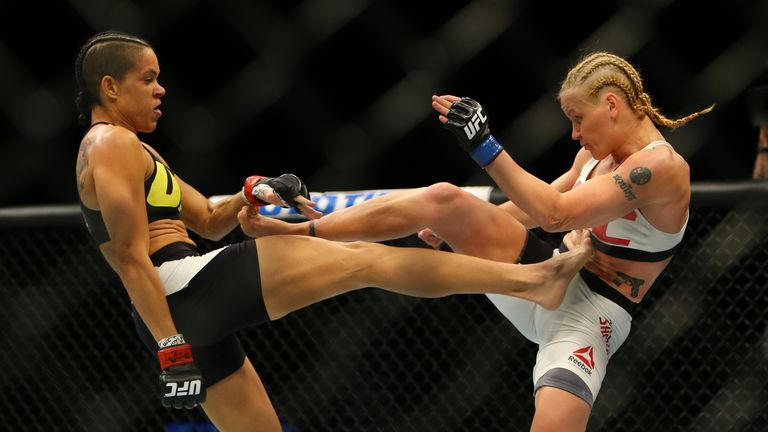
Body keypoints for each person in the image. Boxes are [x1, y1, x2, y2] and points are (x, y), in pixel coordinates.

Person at [73, 30, 593, 431]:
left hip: (179, 303)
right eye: (148, 79)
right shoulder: (109, 144)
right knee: (366, 261)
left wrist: (253, 190)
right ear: (110, 86)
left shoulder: (134, 148)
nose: (161, 89)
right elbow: (130, 257)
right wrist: (173, 349)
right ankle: (532, 282)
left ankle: (534, 282)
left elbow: (209, 221)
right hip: (178, 293)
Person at [240, 51, 713, 431]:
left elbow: (555, 213)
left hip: (593, 314)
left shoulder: (662, 168)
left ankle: (539, 280)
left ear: (611, 105)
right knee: (445, 199)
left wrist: (487, 147)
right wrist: (464, 225)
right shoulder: (593, 158)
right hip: (537, 273)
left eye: (577, 118)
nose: (573, 132)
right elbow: (535, 208)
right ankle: (300, 230)